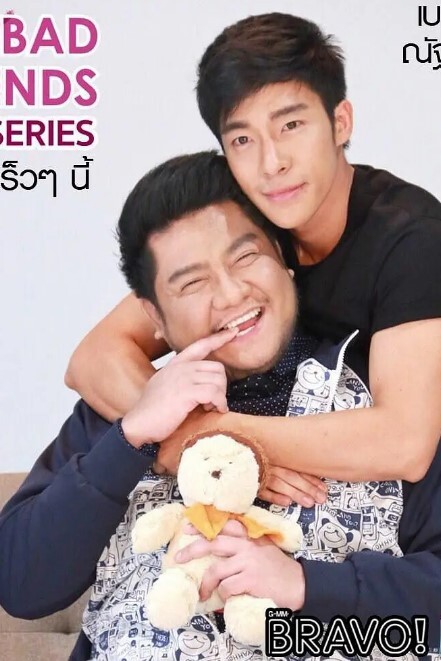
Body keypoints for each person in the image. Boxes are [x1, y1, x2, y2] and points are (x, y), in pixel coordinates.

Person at [1, 153, 440, 660]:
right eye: (192, 283)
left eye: (245, 257)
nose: (231, 294)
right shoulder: (122, 411)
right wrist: (131, 440)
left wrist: (305, 587)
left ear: (283, 259)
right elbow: (20, 585)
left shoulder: (385, 401)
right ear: (154, 318)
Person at [65, 13, 441, 492]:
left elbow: (404, 444)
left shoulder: (412, 239)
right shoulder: (251, 220)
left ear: (340, 122)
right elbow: (93, 357)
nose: (271, 163)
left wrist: (222, 440)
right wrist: (205, 450)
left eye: (291, 125)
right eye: (243, 139)